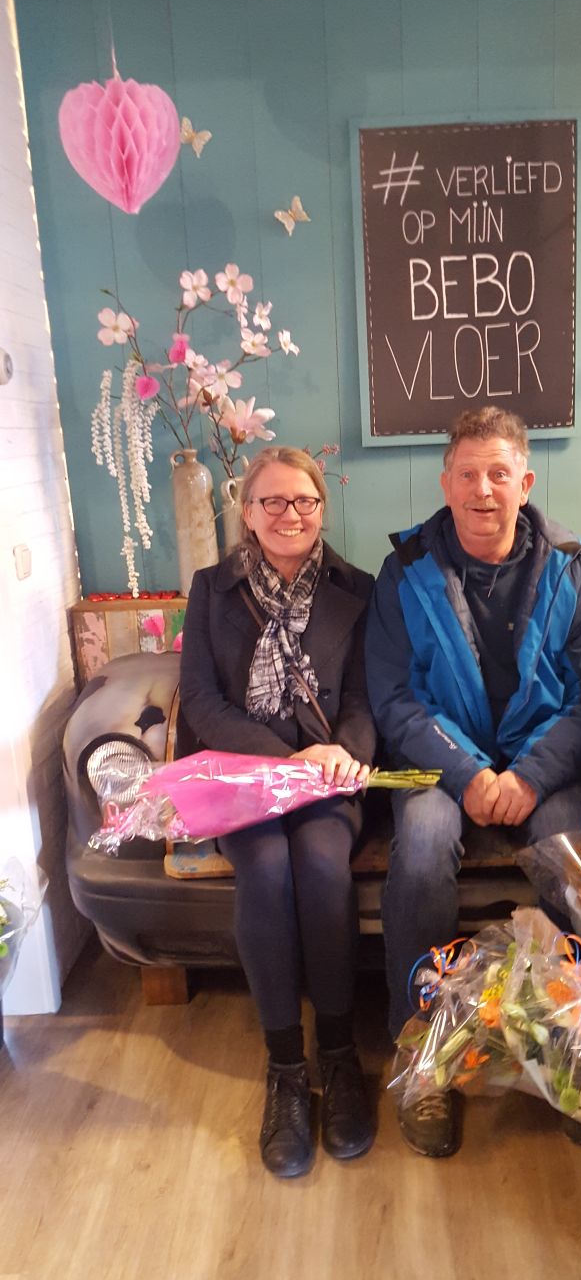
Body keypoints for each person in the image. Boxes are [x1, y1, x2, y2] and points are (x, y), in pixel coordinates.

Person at [365, 406, 581, 1158]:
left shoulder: (568, 569)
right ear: (446, 483)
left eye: (498, 473)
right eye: (467, 474)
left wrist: (527, 774)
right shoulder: (405, 570)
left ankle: (573, 1051)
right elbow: (393, 700)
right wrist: (466, 773)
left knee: (572, 858)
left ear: (524, 481)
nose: (483, 489)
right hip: (436, 761)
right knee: (419, 847)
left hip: (540, 762)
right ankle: (425, 1060)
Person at [179, 445, 376, 1178]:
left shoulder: (359, 587)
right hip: (249, 773)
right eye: (274, 502)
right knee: (263, 870)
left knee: (322, 867)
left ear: (322, 507)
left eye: (305, 501)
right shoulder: (211, 589)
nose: (291, 515)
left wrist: (341, 753)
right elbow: (200, 699)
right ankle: (286, 1070)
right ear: (247, 511)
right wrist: (276, 759)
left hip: (328, 775)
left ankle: (338, 1052)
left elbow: (365, 694)